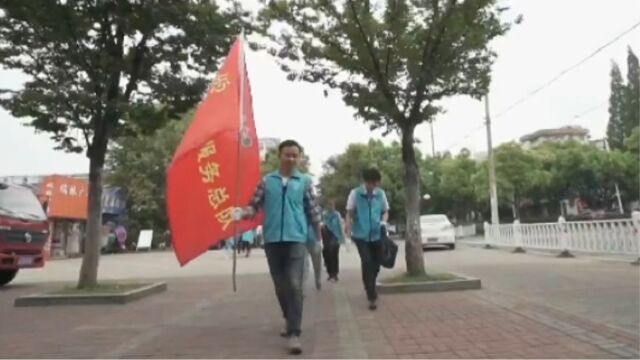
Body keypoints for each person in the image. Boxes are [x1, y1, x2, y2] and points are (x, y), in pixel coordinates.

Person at [240, 139, 322, 355]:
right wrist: (243, 212)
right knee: (280, 285)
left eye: (295, 155)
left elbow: (313, 211)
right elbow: (253, 205)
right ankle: (289, 318)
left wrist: (318, 237)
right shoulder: (267, 181)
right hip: (273, 239)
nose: (291, 158)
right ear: (280, 156)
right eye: (287, 154)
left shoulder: (304, 181)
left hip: (297, 238)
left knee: (295, 284)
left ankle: (294, 333)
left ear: (299, 157)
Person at [345, 168, 390, 311]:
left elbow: (386, 211)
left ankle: (371, 283)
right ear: (365, 182)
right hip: (361, 235)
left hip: (377, 234)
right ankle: (371, 294)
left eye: (375, 183)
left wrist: (383, 222)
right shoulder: (355, 193)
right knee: (366, 262)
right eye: (371, 183)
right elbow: (349, 213)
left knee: (376, 264)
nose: (373, 186)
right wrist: (348, 227)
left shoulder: (380, 194)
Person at [322, 200, 344, 282]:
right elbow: (322, 224)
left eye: (332, 205)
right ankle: (330, 273)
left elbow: (340, 226)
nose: (330, 207)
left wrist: (342, 238)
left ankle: (335, 274)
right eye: (329, 205)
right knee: (326, 253)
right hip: (326, 235)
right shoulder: (324, 215)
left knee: (334, 254)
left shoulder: (336, 215)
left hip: (335, 236)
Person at [303, 223, 323, 291]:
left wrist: (319, 239)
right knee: (304, 265)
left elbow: (317, 225)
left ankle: (318, 280)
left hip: (313, 240)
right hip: (302, 241)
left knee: (316, 264)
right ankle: (303, 287)